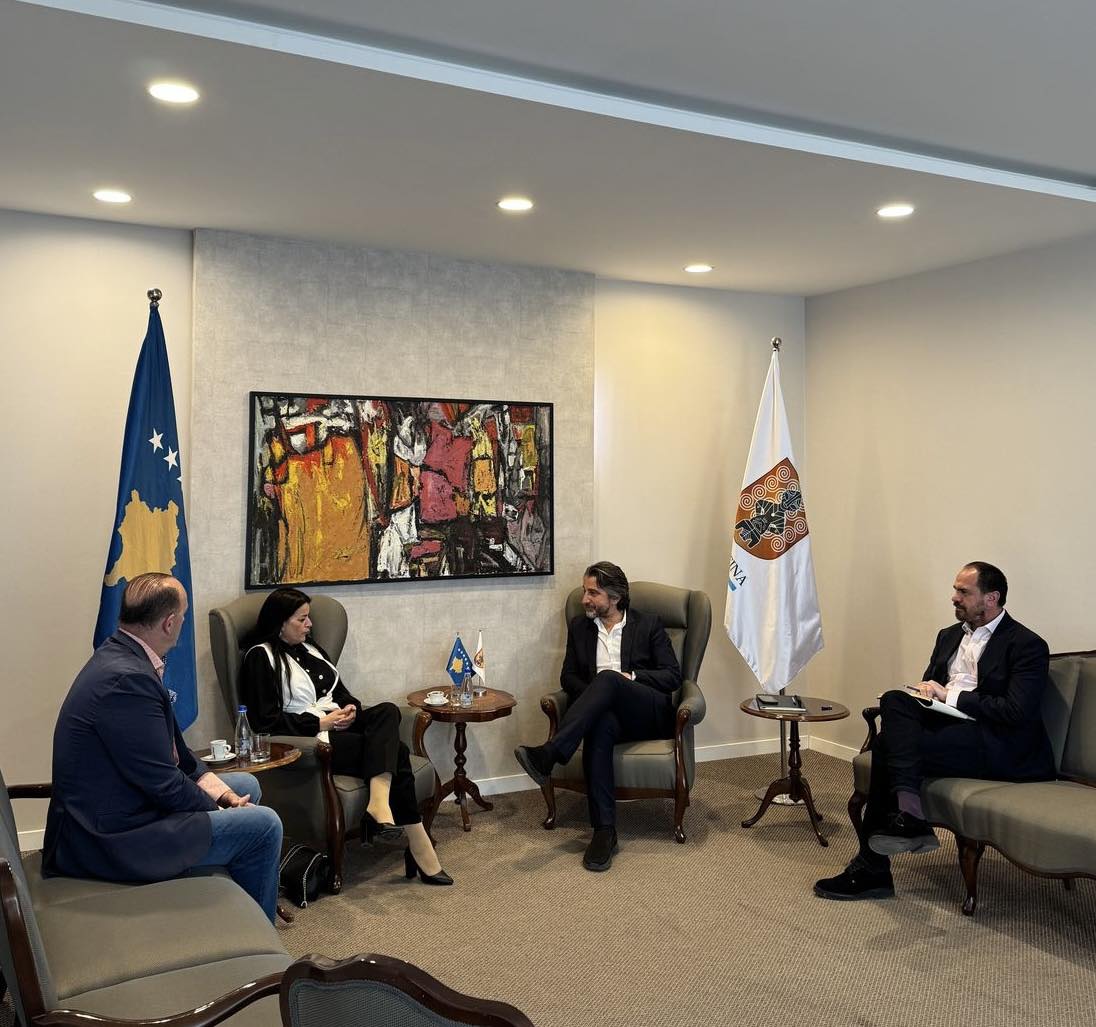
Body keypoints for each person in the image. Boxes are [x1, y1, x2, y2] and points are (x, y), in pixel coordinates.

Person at [42, 573, 284, 923]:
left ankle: (229, 905)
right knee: (264, 825)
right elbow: (163, 783)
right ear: (170, 623)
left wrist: (224, 795)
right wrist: (220, 811)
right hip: (109, 836)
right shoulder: (126, 680)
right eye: (183, 616)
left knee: (245, 786)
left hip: (125, 802)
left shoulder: (124, 656)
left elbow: (179, 757)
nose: (183, 622)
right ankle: (258, 932)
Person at [814, 561, 1055, 901]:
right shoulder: (949, 636)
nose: (954, 597)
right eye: (955, 590)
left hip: (997, 742)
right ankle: (906, 819)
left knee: (885, 747)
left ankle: (875, 866)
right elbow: (932, 685)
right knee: (896, 699)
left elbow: (1015, 712)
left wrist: (949, 696)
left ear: (991, 597)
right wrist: (926, 692)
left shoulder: (1026, 644)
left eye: (963, 592)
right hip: (950, 729)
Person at [239, 588, 452, 886]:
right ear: (280, 622)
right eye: (301, 619)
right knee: (399, 752)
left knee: (387, 711)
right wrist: (321, 722)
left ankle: (380, 802)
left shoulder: (312, 649)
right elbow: (265, 722)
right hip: (311, 740)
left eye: (309, 617)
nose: (309, 624)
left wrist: (350, 709)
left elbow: (339, 693)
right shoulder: (260, 657)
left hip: (337, 724)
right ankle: (417, 843)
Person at [514, 561, 682, 871]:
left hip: (646, 714)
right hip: (608, 717)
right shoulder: (580, 627)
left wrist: (629, 678)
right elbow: (568, 677)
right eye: (584, 591)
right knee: (599, 725)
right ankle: (604, 831)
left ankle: (551, 753)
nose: (584, 599)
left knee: (609, 679)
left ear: (615, 597)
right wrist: (597, 696)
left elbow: (672, 676)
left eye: (593, 593)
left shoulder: (649, 625)